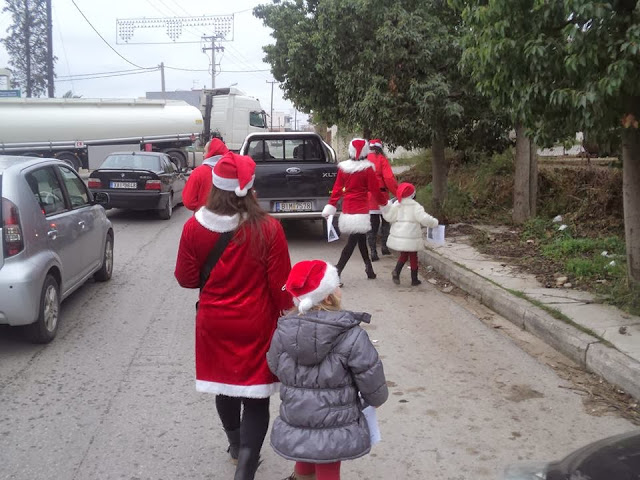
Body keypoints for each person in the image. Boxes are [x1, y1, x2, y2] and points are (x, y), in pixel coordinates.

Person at [174, 151, 293, 480]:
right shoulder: (268, 229)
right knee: (254, 394)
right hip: (256, 323)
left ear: (213, 184)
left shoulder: (193, 227)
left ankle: (233, 444)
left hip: (213, 322)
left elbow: (185, 278)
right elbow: (281, 289)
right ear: (251, 187)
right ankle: (246, 465)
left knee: (225, 386)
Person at [267, 260, 389, 480]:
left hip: (297, 410)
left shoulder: (284, 330)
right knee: (328, 459)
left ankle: (300, 477)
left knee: (306, 442)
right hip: (335, 417)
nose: (340, 288)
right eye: (337, 285)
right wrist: (376, 398)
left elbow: (274, 365)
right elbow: (368, 371)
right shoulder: (350, 334)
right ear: (327, 296)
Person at [322, 138, 388, 282]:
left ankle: (369, 268)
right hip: (361, 209)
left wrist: (331, 205)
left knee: (360, 238)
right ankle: (337, 270)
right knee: (353, 241)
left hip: (348, 207)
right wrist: (385, 205)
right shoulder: (368, 168)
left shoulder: (343, 168)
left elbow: (337, 189)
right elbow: (375, 191)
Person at [381, 182, 439, 286]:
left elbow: (389, 217)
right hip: (411, 236)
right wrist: (434, 222)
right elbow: (424, 218)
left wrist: (385, 209)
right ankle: (414, 279)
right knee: (413, 256)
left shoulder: (396, 205)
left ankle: (397, 271)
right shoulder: (415, 206)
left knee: (404, 254)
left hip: (399, 235)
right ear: (413, 194)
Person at [366, 139, 398, 261]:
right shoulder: (382, 159)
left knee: (372, 226)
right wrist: (397, 192)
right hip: (382, 196)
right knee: (385, 222)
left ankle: (373, 252)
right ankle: (384, 247)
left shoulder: (364, 159)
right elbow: (389, 178)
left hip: (369, 197)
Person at [182, 137, 229, 211]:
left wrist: (202, 208)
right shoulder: (233, 170)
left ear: (211, 153)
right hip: (229, 218)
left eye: (205, 151)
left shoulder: (199, 172)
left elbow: (189, 201)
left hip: (204, 219)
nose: (203, 155)